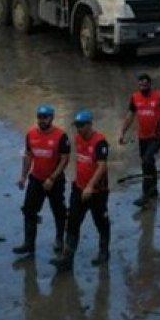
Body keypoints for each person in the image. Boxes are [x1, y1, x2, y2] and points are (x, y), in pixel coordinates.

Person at [52, 111, 111, 272]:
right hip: (78, 188)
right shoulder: (77, 139)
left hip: (97, 191)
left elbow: (102, 166)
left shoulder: (100, 142)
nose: (78, 129)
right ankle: (67, 258)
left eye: (81, 126)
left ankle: (104, 252)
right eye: (76, 126)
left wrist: (91, 186)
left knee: (101, 222)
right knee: (72, 222)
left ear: (89, 124)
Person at [14, 106, 70, 258]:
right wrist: (23, 176)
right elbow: (28, 156)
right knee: (29, 211)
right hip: (36, 179)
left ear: (51, 118)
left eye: (45, 117)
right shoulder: (31, 134)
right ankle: (29, 245)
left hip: (55, 181)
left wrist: (52, 178)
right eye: (39, 116)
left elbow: (65, 159)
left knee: (58, 211)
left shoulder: (61, 136)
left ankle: (59, 239)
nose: (42, 119)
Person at [118, 74, 160, 207]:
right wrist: (122, 132)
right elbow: (130, 115)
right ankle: (154, 189)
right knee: (147, 162)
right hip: (143, 136)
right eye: (140, 84)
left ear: (150, 84)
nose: (143, 86)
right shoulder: (135, 97)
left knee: (147, 160)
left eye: (145, 84)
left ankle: (146, 195)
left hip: (157, 135)